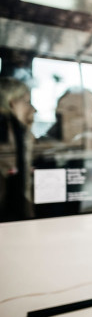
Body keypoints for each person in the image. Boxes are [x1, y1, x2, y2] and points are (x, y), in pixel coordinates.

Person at [0, 77, 36, 221]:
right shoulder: (6, 129)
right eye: (26, 102)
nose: (33, 108)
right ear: (11, 103)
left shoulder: (18, 131)